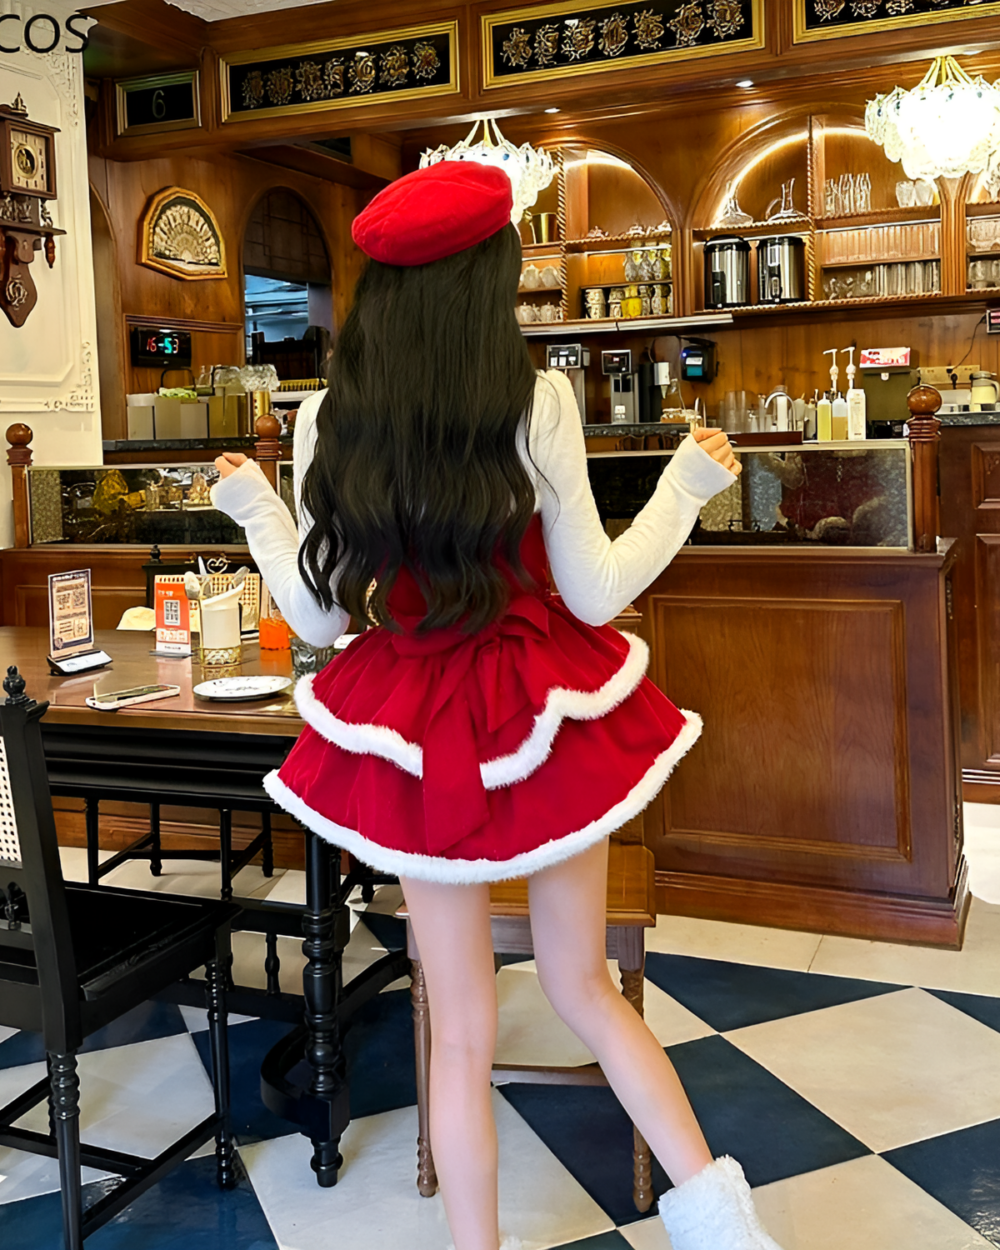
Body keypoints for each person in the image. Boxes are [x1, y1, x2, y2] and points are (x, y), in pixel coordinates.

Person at [212, 161, 783, 1250]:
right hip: (545, 706)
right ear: (486, 281)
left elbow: (323, 622)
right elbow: (595, 591)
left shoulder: (328, 416)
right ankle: (720, 1226)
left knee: (459, 1029)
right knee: (584, 984)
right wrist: (686, 490)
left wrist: (254, 509)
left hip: (417, 723)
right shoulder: (541, 400)